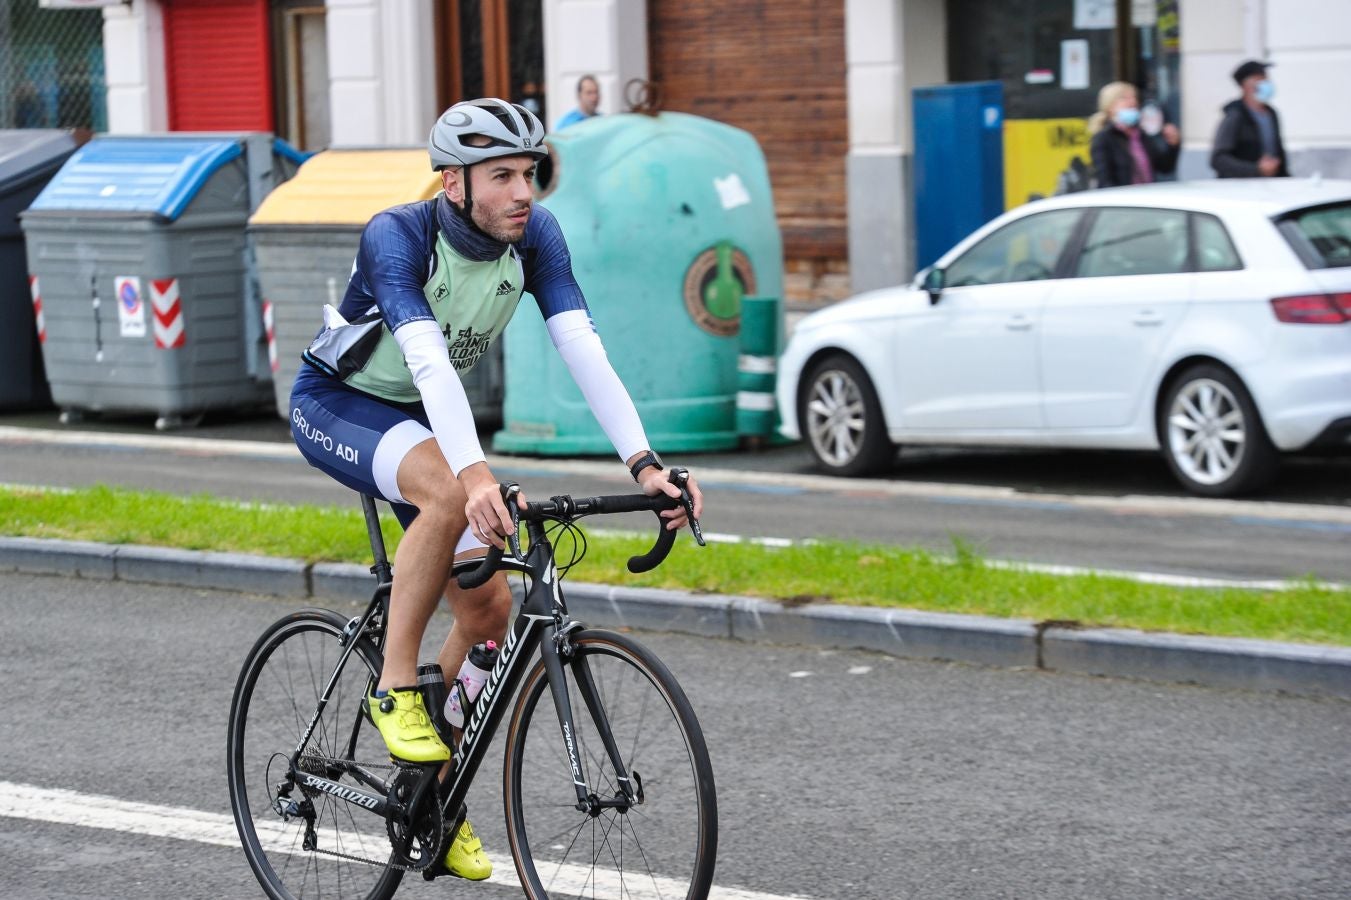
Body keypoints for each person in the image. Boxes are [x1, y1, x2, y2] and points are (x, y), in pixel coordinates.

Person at [288, 97, 702, 880]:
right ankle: (394, 687)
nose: (523, 192)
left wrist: (645, 465)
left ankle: (431, 795)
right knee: (449, 494)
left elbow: (582, 348)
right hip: (340, 403)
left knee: (489, 608)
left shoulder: (535, 235)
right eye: (503, 175)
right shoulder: (397, 235)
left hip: (424, 422)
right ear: (453, 183)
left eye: (530, 173)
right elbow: (426, 362)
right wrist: (473, 473)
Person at [1088, 81, 1180, 188]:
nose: (1133, 102)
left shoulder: (1141, 135)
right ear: (1110, 107)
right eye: (1124, 98)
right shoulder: (1104, 138)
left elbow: (1165, 167)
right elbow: (1105, 180)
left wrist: (1173, 145)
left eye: (1134, 97)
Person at [1211, 59, 1289, 178]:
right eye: (1259, 78)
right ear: (1245, 85)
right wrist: (1255, 169)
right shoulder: (1235, 115)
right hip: (1241, 188)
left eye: (1266, 78)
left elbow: (1278, 153)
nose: (1266, 82)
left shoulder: (1271, 114)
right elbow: (1218, 159)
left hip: (1269, 185)